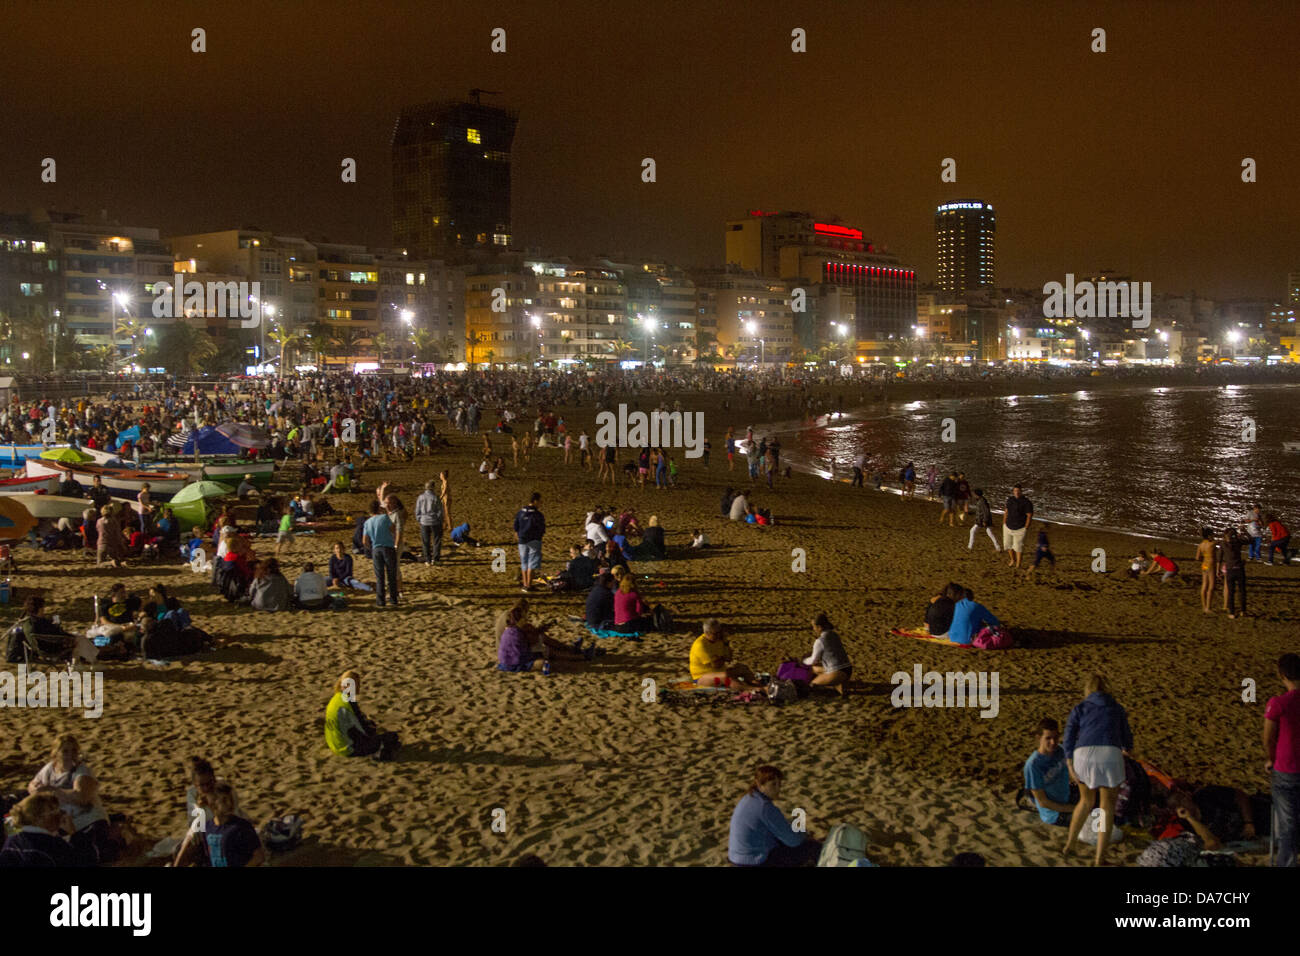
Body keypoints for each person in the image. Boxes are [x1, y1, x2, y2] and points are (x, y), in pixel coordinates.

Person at [1062, 674, 1134, 866]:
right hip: (1109, 755)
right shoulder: (1117, 708)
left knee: (1085, 801)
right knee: (1106, 807)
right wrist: (1126, 748)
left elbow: (1068, 736)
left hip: (1083, 755)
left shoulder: (1080, 708)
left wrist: (1069, 762)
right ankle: (1099, 858)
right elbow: (1127, 738)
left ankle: (1069, 845)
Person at [27, 734, 111, 864]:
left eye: (73, 751)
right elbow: (32, 785)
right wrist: (35, 789)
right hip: (59, 818)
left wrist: (52, 790)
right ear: (56, 753)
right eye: (65, 751)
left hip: (85, 820)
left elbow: (82, 797)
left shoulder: (81, 771)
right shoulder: (50, 768)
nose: (70, 754)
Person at [727, 765, 819, 866]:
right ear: (759, 784)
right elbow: (793, 841)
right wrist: (804, 836)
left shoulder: (749, 797)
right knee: (812, 848)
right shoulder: (765, 807)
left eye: (779, 784)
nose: (778, 789)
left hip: (737, 857)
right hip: (755, 861)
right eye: (773, 785)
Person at [1263, 652, 1300, 867]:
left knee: (1287, 825)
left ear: (1282, 675)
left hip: (1286, 768)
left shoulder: (1278, 703)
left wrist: (1271, 759)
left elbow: (1268, 738)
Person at [323, 670, 400, 759]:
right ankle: (377, 753)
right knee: (391, 737)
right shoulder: (348, 703)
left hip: (334, 745)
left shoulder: (336, 699)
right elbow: (361, 729)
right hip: (347, 748)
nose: (358, 688)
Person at [0, 793, 88, 867]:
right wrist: (73, 833)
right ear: (39, 818)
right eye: (55, 812)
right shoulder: (51, 844)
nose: (61, 815)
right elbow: (85, 861)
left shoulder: (12, 840)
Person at [1023, 718, 1077, 827]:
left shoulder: (1060, 751)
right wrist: (1075, 808)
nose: (1053, 742)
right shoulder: (1033, 765)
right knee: (1091, 819)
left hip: (1067, 798)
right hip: (1054, 813)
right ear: (1039, 738)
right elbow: (1043, 802)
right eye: (1048, 738)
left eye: (1056, 737)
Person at [689, 618, 758, 687]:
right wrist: (722, 658)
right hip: (701, 677)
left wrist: (726, 644)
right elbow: (716, 665)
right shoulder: (701, 645)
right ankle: (752, 689)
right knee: (725, 677)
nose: (718, 635)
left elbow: (729, 658)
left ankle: (757, 685)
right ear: (707, 633)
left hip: (719, 672)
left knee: (742, 668)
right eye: (715, 634)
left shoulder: (719, 640)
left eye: (720, 632)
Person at [804, 612, 851, 696]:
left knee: (812, 684)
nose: (813, 629)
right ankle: (838, 683)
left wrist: (803, 661)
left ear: (819, 627)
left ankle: (835, 685)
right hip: (848, 669)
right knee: (814, 669)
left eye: (814, 627)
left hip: (837, 672)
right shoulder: (834, 635)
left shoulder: (820, 641)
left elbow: (813, 660)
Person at [363, 500, 399, 608]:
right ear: (379, 508)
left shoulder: (367, 522)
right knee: (391, 575)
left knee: (379, 577)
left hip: (376, 549)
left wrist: (371, 548)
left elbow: (364, 541)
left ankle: (380, 600)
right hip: (387, 547)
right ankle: (393, 599)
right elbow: (393, 529)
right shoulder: (384, 518)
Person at [514, 492, 546, 593]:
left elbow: (516, 525)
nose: (541, 503)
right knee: (531, 563)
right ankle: (529, 585)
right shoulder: (537, 515)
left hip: (522, 540)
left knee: (524, 562)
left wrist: (517, 534)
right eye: (540, 501)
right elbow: (541, 528)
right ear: (535, 501)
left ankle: (525, 584)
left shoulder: (521, 512)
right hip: (534, 540)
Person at [1002, 484, 1033, 568]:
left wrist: (1026, 527)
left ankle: (1018, 564)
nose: (1017, 492)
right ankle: (1013, 560)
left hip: (1020, 528)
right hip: (1008, 526)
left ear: (1021, 491)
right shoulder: (1010, 500)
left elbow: (1029, 515)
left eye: (1018, 491)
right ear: (1013, 491)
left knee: (1018, 548)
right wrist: (1004, 522)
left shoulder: (1026, 502)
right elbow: (1006, 511)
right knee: (1008, 545)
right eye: (1015, 491)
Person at [415, 479, 445, 565]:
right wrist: (440, 520)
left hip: (424, 521)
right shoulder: (435, 498)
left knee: (425, 541)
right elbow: (440, 511)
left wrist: (419, 519)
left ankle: (427, 559)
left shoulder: (420, 497)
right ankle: (436, 559)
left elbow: (417, 510)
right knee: (436, 541)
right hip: (434, 522)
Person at [1220, 528, 1247, 619]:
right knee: (1242, 591)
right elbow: (1251, 540)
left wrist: (1217, 570)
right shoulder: (1238, 542)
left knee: (1231, 592)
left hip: (1230, 569)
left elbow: (1219, 558)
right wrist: (1244, 533)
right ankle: (1243, 610)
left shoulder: (1223, 544)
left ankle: (1231, 612)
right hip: (1239, 569)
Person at [1196, 527, 1218, 614]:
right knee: (1211, 586)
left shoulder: (1201, 545)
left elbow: (1197, 557)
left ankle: (1204, 606)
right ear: (1209, 535)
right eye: (1213, 534)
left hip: (1204, 565)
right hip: (1211, 565)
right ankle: (1208, 607)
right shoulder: (1212, 544)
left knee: (1204, 585)